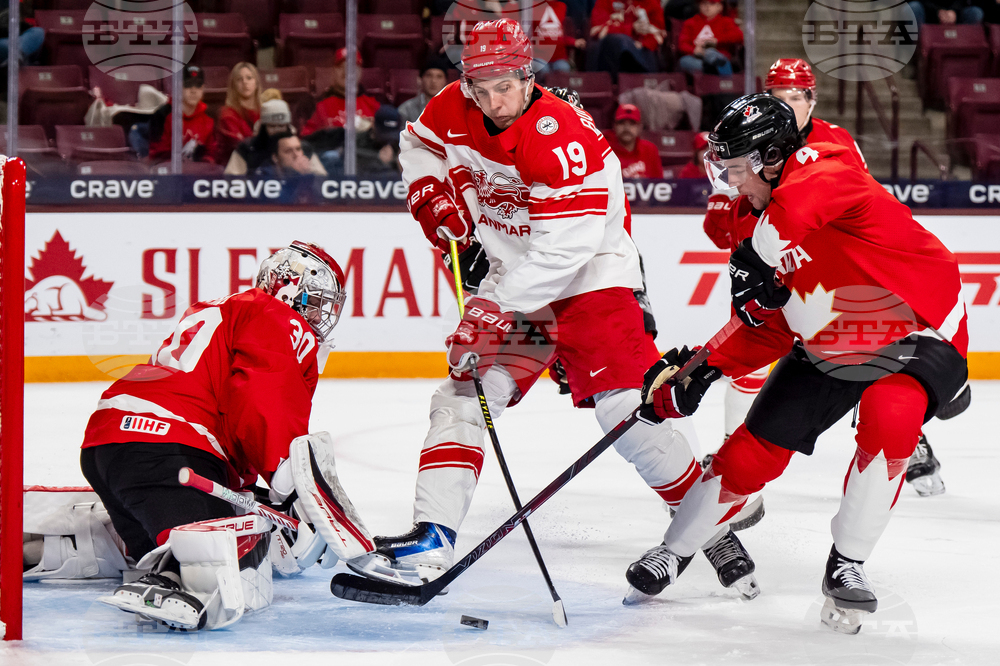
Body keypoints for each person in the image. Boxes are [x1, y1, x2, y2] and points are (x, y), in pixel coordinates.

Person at [347, 19, 761, 599]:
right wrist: (430, 195)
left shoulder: (561, 136)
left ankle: (706, 523)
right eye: (480, 86)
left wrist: (492, 308)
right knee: (464, 394)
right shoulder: (452, 106)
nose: (493, 101)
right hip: (513, 283)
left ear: (528, 75)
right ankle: (432, 535)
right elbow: (417, 145)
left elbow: (565, 248)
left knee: (626, 413)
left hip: (591, 283)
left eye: (505, 86)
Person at [628, 93, 968, 633]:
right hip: (830, 341)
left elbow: (794, 214)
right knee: (750, 455)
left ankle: (848, 564)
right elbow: (771, 323)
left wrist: (755, 257)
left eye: (736, 168)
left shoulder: (824, 169)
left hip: (914, 329)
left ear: (770, 156)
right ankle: (675, 549)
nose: (730, 181)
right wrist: (701, 370)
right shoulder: (752, 223)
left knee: (890, 422)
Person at [80, 242, 350, 630]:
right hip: (170, 450)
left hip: (109, 444)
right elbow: (262, 399)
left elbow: (219, 404)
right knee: (215, 568)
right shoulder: (275, 314)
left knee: (156, 548)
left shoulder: (218, 307)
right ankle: (169, 578)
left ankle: (65, 545)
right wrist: (287, 481)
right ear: (288, 288)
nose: (317, 314)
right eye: (314, 299)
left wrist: (259, 493)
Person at [225, 99, 326, 176]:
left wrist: (306, 174)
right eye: (272, 126)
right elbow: (232, 183)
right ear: (263, 127)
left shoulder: (302, 148)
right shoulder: (247, 149)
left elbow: (323, 183)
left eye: (281, 126)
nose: (278, 130)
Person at [301, 47, 381, 137]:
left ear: (360, 72)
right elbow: (306, 140)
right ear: (333, 71)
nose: (346, 72)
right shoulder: (318, 107)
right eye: (341, 67)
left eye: (352, 68)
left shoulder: (373, 106)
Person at [148, 65, 218, 164]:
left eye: (198, 85)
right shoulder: (162, 115)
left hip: (199, 175)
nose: (193, 91)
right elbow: (157, 157)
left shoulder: (209, 118)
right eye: (188, 85)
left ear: (202, 89)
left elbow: (212, 154)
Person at [587, 0, 666, 80]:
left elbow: (659, 34)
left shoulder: (650, 3)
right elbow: (598, 31)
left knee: (648, 53)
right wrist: (631, 29)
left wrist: (642, 44)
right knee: (620, 42)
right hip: (613, 57)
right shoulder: (605, 2)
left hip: (643, 53)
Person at [212, 62, 262, 166]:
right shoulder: (227, 115)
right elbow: (242, 147)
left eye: (249, 78)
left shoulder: (265, 111)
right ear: (233, 85)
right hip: (233, 169)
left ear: (256, 83)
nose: (245, 82)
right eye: (239, 79)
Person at [677, 0, 744, 76]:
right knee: (684, 61)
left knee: (710, 52)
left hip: (718, 55)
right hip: (698, 58)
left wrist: (717, 40)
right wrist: (694, 50)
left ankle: (721, 73)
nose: (707, 7)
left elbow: (738, 36)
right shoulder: (690, 23)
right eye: (704, 3)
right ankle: (713, 69)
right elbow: (682, 44)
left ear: (720, 7)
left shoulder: (726, 22)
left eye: (712, 3)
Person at [606, 103, 663, 179]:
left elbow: (659, 183)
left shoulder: (650, 150)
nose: (626, 128)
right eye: (621, 123)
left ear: (640, 127)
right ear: (614, 126)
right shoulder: (605, 150)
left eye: (632, 123)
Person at [399, 56, 450, 124]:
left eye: (439, 77)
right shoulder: (406, 109)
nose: (433, 81)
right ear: (420, 80)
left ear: (445, 82)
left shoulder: (454, 109)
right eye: (429, 76)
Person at [256, 132, 323, 177]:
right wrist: (301, 175)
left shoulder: (310, 167)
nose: (296, 154)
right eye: (288, 151)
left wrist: (308, 173)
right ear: (275, 158)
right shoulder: (263, 177)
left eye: (298, 149)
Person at [907, 0, 984, 26]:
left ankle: (966, 50)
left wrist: (954, 11)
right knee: (912, 8)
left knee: (975, 12)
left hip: (953, 14)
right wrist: (938, 12)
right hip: (928, 13)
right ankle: (920, 51)